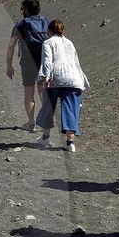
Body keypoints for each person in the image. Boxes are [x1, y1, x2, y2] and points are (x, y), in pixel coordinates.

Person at [35, 20, 88, 150]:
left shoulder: (48, 42)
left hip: (56, 75)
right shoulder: (69, 42)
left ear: (49, 31)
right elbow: (76, 62)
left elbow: (47, 60)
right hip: (74, 78)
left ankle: (45, 138)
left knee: (48, 105)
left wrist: (46, 77)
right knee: (70, 108)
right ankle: (70, 143)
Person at [5, 0, 50, 131]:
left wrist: (9, 64)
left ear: (25, 9)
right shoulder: (46, 21)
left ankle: (31, 124)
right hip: (43, 60)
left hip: (27, 62)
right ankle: (46, 123)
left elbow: (11, 45)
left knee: (29, 93)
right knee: (42, 91)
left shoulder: (21, 24)